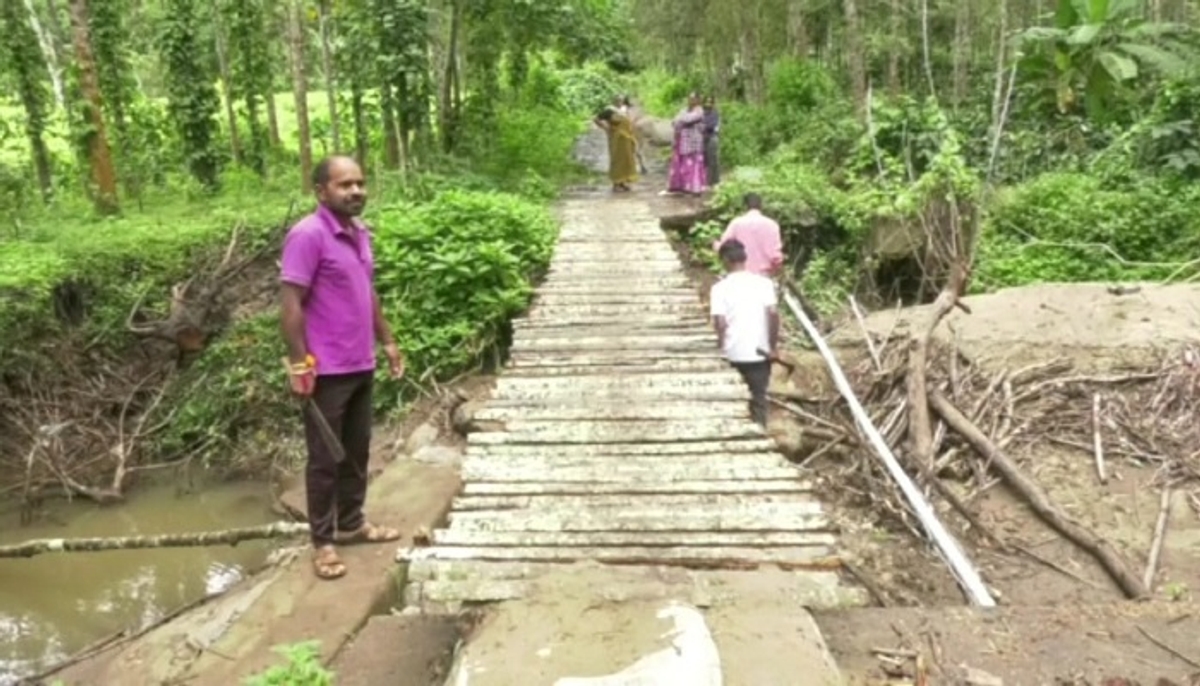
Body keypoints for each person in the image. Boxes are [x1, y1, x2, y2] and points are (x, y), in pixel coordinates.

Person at [280, 155, 405, 581]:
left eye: (360, 183)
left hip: (360, 361)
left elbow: (365, 290)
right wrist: (299, 362)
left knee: (357, 449)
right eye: (344, 185)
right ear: (321, 191)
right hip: (325, 368)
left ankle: (352, 524)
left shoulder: (358, 232)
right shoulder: (307, 235)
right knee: (323, 459)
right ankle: (323, 543)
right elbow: (291, 302)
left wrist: (387, 340)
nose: (355, 191)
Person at [709, 240, 780, 427]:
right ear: (744, 258)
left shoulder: (719, 289)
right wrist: (772, 347)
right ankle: (760, 432)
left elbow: (721, 323)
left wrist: (721, 347)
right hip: (759, 353)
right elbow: (773, 314)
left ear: (725, 259)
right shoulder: (764, 284)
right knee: (758, 399)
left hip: (732, 354)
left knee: (730, 401)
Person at [711, 193, 783, 277]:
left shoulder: (737, 223)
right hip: (764, 276)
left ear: (745, 206)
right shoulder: (772, 225)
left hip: (740, 274)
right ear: (761, 206)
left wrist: (715, 245)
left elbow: (724, 247)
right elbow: (776, 257)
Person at [662, 92, 707, 196]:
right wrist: (681, 119)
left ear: (698, 100)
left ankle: (695, 188)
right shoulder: (684, 110)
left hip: (694, 143)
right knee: (683, 165)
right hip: (682, 142)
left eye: (693, 98)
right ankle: (682, 187)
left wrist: (681, 118)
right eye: (690, 98)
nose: (691, 100)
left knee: (694, 165)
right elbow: (674, 122)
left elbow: (687, 119)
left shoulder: (699, 111)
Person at [593, 100, 639, 193]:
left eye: (621, 100)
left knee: (627, 160)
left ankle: (623, 182)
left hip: (626, 139)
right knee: (617, 160)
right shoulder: (609, 111)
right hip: (616, 140)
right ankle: (616, 183)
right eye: (617, 99)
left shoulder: (623, 111)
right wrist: (605, 128)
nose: (619, 102)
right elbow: (596, 119)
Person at [701, 95, 721, 189]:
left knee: (714, 159)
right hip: (703, 138)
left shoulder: (715, 113)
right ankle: (706, 181)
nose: (708, 104)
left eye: (710, 102)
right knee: (705, 160)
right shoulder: (701, 113)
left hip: (712, 137)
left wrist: (704, 126)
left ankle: (716, 181)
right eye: (706, 101)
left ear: (713, 103)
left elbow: (712, 125)